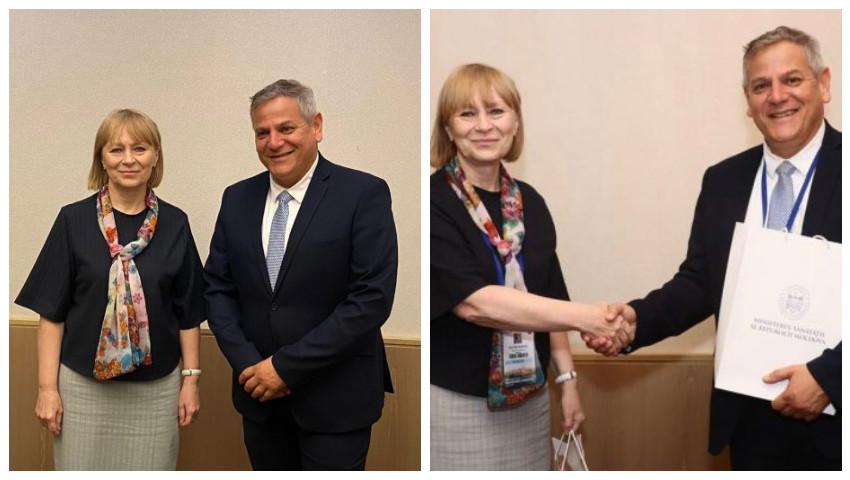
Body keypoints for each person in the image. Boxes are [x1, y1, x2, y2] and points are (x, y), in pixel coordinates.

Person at [584, 26, 840, 470]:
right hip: (750, 421)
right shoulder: (723, 180)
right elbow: (700, 283)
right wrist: (635, 322)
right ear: (748, 101)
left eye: (792, 79)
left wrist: (830, 378)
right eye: (761, 86)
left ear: (824, 84)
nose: (777, 96)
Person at [430, 63, 625, 470]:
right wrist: (590, 317)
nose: (484, 126)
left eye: (496, 111)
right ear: (448, 127)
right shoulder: (435, 202)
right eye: (467, 113)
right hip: (459, 403)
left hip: (530, 399)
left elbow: (550, 298)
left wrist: (567, 382)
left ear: (515, 123)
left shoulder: (529, 202)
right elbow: (475, 304)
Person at [204, 79, 397, 471]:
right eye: (262, 132)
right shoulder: (236, 198)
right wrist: (249, 365)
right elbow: (217, 289)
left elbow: (371, 299)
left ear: (316, 126)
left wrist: (285, 368)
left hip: (336, 402)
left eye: (286, 128)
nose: (274, 142)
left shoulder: (363, 194)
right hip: (259, 398)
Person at [16, 108, 204, 470]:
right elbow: (52, 314)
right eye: (116, 149)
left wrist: (191, 382)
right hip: (82, 390)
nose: (128, 159)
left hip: (157, 392)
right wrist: (47, 389)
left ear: (155, 157)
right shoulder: (72, 220)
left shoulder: (176, 223)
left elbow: (188, 313)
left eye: (140, 148)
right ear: (101, 158)